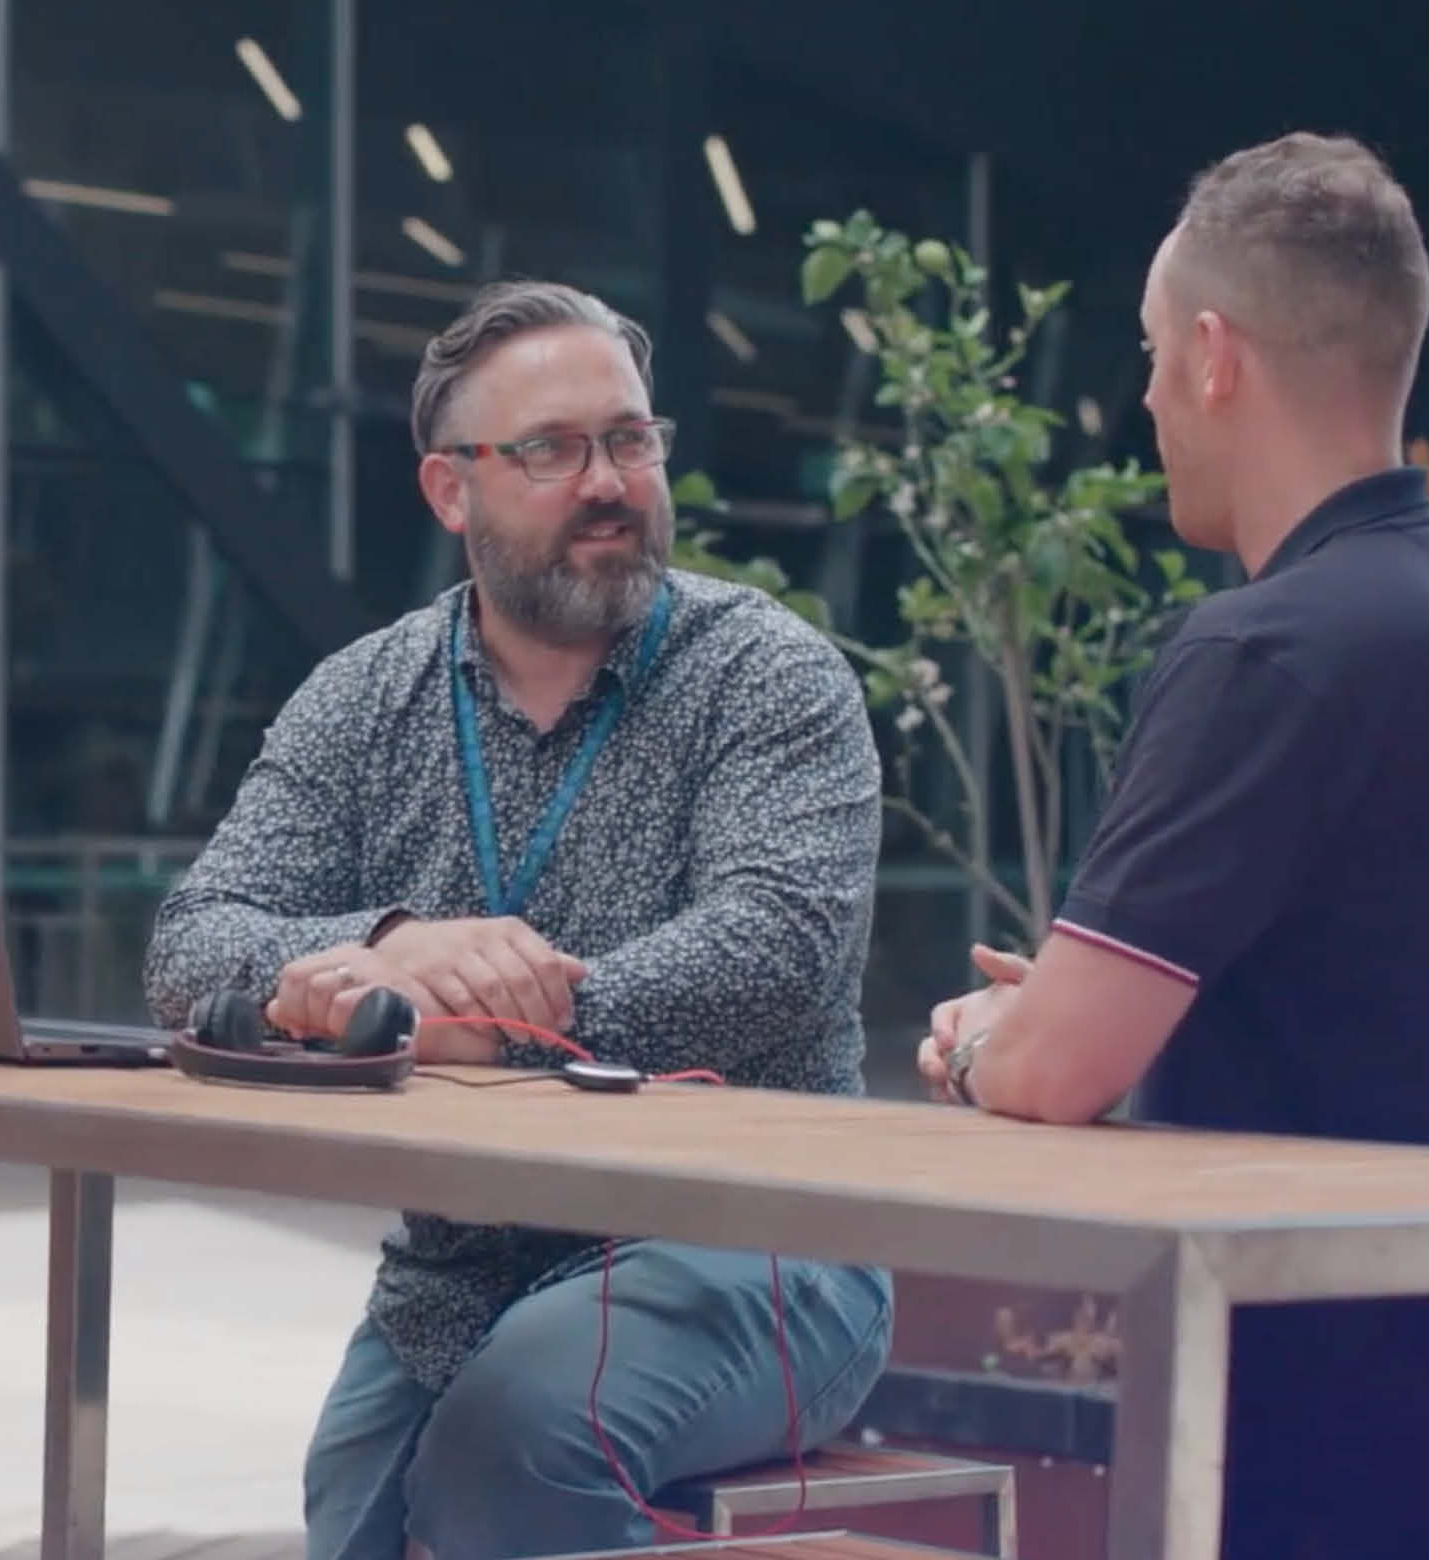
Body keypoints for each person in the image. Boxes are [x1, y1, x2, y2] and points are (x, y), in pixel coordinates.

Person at [916, 133, 1429, 1558]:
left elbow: (1056, 1068)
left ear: (1218, 358)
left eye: (1157, 352)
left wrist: (990, 1032)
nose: (1150, 396)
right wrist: (1079, 998)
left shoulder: (1269, 646)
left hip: (1333, 1392)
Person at [141, 279, 893, 1560]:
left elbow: (775, 944)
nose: (606, 480)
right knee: (351, 1504)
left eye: (629, 440)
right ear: (451, 491)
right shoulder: (367, 696)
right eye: (550, 450)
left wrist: (481, 1031)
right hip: (461, 1274)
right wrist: (380, 954)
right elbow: (192, 941)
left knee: (519, 1439)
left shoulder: (766, 673)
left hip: (757, 1243)